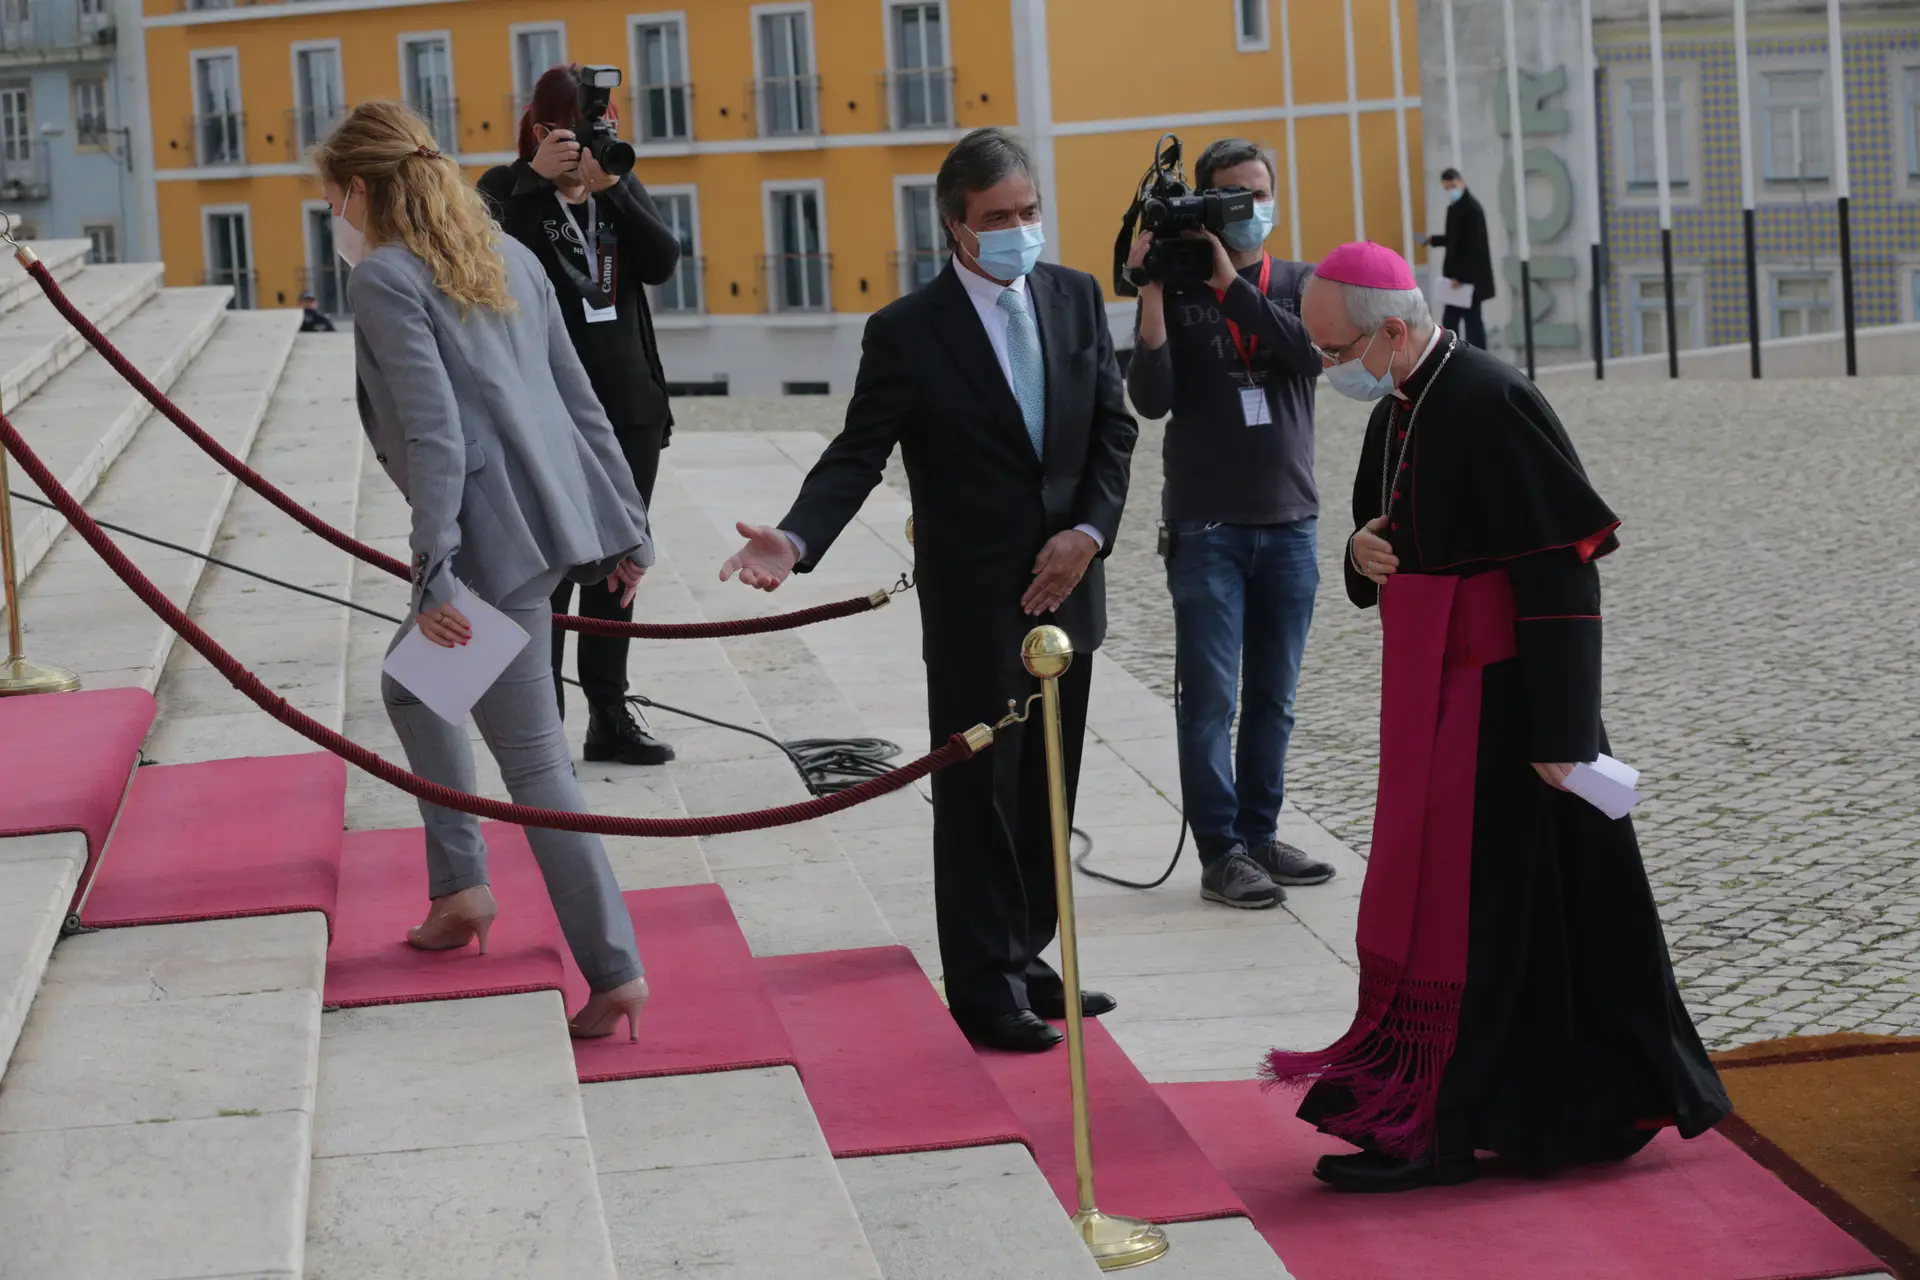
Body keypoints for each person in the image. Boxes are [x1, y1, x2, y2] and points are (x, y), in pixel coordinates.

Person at [1264, 241, 1728, 1193]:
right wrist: (1359, 551)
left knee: (1491, 914)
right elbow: (1378, 532)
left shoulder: (1490, 397)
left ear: (1392, 328)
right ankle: (1447, 1108)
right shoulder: (1401, 406)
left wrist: (1565, 738)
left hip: (1510, 709)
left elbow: (1561, 570)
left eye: (1338, 352)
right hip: (1432, 697)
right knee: (1445, 902)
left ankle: (1447, 1125)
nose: (1331, 371)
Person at [717, 127, 1138, 1054]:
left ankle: (1028, 959)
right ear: (954, 225)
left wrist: (1089, 534)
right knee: (979, 792)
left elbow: (1114, 432)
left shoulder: (1072, 298)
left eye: (1029, 213)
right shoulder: (908, 331)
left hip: (1069, 592)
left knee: (1047, 794)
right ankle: (983, 988)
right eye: (998, 219)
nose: (1019, 231)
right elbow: (857, 454)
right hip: (976, 604)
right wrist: (793, 538)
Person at [317, 101, 653, 1041]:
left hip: (489, 544)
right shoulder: (510, 256)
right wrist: (628, 525)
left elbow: (435, 435)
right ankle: (461, 888)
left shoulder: (385, 277)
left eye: (330, 196)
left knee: (537, 764)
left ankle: (614, 967)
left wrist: (434, 575)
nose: (330, 213)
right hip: (546, 529)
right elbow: (581, 402)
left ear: (357, 190)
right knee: (416, 693)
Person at [1124, 137, 1334, 911]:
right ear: (1206, 205)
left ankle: (1261, 831)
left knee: (1274, 696)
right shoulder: (1177, 292)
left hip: (1290, 521)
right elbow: (1150, 399)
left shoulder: (1302, 284)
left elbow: (1310, 356)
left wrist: (1230, 285)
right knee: (1211, 697)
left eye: (1258, 193)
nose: (1248, 208)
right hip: (1206, 526)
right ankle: (1221, 852)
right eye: (1231, 195)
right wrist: (1150, 291)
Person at [479, 64, 682, 768]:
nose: (599, 143)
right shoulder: (506, 191)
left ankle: (609, 715)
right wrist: (539, 182)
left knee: (620, 570)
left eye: (609, 129)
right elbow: (485, 264)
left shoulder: (617, 186)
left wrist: (614, 192)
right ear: (541, 130)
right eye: (584, 130)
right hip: (546, 413)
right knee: (555, 568)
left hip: (628, 411)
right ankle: (543, 726)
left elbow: (661, 262)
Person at [1423, 169, 1493, 350]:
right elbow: (1454, 239)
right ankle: (1456, 359)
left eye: (1452, 186)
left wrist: (1459, 277)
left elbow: (1473, 247)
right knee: (1455, 323)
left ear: (1461, 182)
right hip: (1458, 281)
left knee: (1470, 324)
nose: (1450, 191)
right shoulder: (1457, 208)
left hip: (1466, 282)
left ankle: (1476, 362)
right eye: (1446, 188)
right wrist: (1433, 240)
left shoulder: (1471, 209)